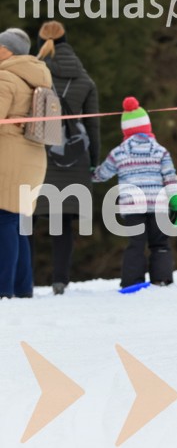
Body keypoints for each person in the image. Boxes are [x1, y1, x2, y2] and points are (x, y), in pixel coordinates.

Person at [32, 21, 100, 295]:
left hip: (38, 154)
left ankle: (25, 280)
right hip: (73, 158)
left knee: (26, 221)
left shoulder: (34, 75)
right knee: (62, 225)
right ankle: (60, 281)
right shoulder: (84, 80)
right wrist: (93, 160)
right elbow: (93, 126)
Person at [92, 97, 177, 289]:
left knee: (136, 244)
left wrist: (90, 172)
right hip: (158, 204)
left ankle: (132, 282)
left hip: (132, 206)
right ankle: (162, 279)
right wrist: (176, 200)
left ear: (125, 129)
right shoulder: (160, 151)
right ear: (147, 127)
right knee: (160, 244)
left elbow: (103, 174)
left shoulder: (119, 152)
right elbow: (170, 177)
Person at [0, 29, 52, 298]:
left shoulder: (6, 77)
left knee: (4, 220)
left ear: (8, 50)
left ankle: (3, 289)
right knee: (15, 221)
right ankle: (21, 288)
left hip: (8, 157)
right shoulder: (37, 78)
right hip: (31, 157)